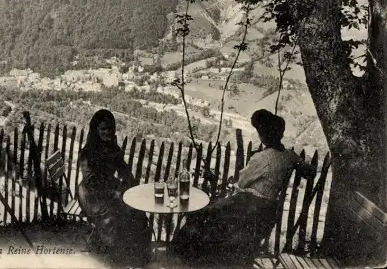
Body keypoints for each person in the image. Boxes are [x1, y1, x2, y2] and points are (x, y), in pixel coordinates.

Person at [171, 109, 316, 266]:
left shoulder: (262, 158)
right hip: (267, 213)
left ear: (264, 135)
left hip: (247, 207)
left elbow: (242, 182)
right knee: (209, 215)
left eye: (260, 131)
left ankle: (184, 259)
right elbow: (310, 172)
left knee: (201, 215)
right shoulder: (289, 156)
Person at [77, 109, 152, 267]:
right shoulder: (88, 152)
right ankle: (116, 258)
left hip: (110, 192)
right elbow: (92, 180)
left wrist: (131, 184)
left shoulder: (112, 149)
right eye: (103, 129)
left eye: (110, 128)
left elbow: (123, 168)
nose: (107, 132)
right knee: (115, 216)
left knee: (137, 211)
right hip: (92, 195)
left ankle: (137, 257)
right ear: (96, 130)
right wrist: (115, 190)